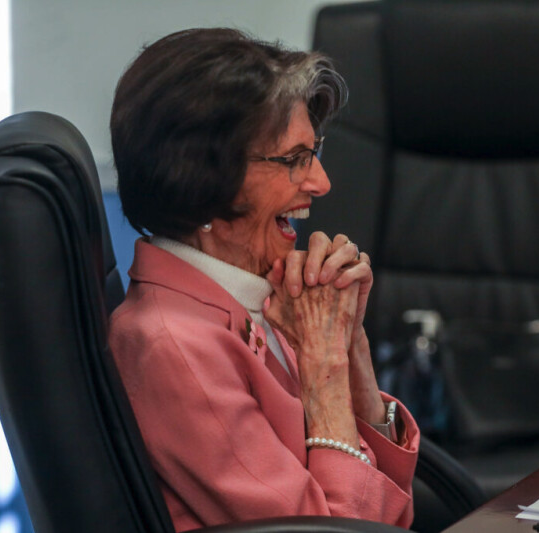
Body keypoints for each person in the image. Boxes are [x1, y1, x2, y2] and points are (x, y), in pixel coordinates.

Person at [108, 28, 419, 531]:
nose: (321, 181)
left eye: (313, 151)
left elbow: (391, 509)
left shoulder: (250, 291)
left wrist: (348, 343)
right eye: (294, 159)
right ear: (204, 181)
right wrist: (322, 363)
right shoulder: (174, 349)